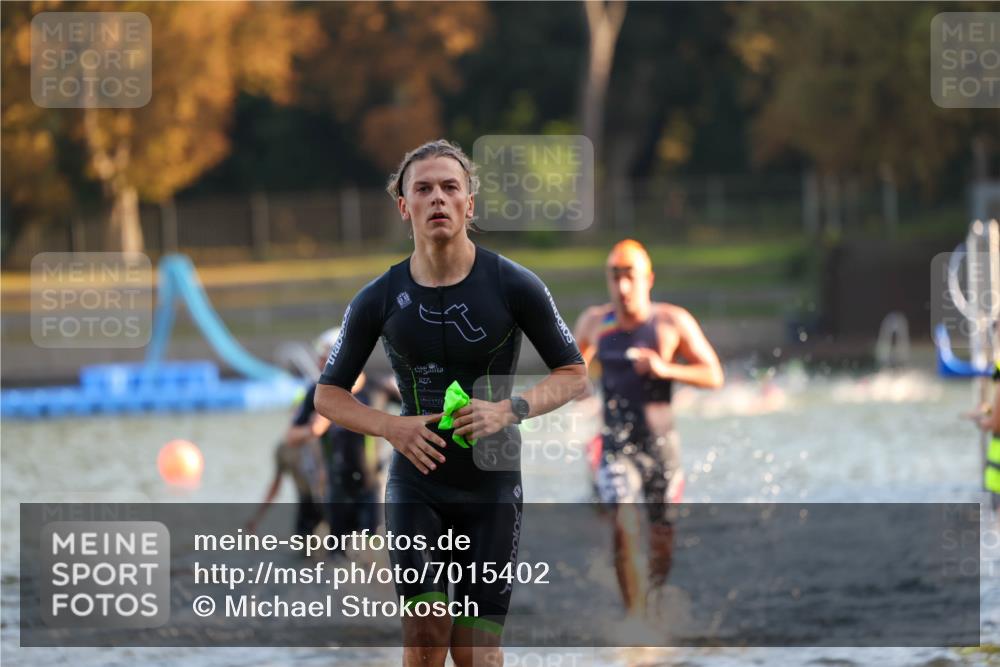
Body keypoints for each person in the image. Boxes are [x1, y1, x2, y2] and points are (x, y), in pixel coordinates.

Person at [314, 139, 587, 667]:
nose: (437, 198)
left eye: (449, 187)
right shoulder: (377, 297)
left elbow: (574, 374)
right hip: (417, 483)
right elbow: (328, 394)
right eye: (423, 189)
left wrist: (510, 410)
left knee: (476, 653)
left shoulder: (514, 285)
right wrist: (392, 428)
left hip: (493, 483)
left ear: (470, 204)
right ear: (404, 206)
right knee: (425, 629)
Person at [573, 239, 724, 618]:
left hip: (661, 448)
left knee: (661, 542)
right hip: (614, 445)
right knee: (624, 520)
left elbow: (714, 374)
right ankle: (634, 621)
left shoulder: (671, 321)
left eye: (630, 277)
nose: (622, 287)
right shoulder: (596, 322)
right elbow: (571, 373)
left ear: (648, 279)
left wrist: (666, 368)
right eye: (614, 277)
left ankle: (652, 605)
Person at [291, 328, 399, 556]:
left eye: (323, 358)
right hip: (336, 489)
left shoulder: (378, 388)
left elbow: (418, 411)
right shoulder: (318, 393)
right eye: (319, 359)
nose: (320, 364)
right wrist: (313, 429)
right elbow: (290, 437)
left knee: (375, 555)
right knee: (337, 558)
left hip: (371, 487)